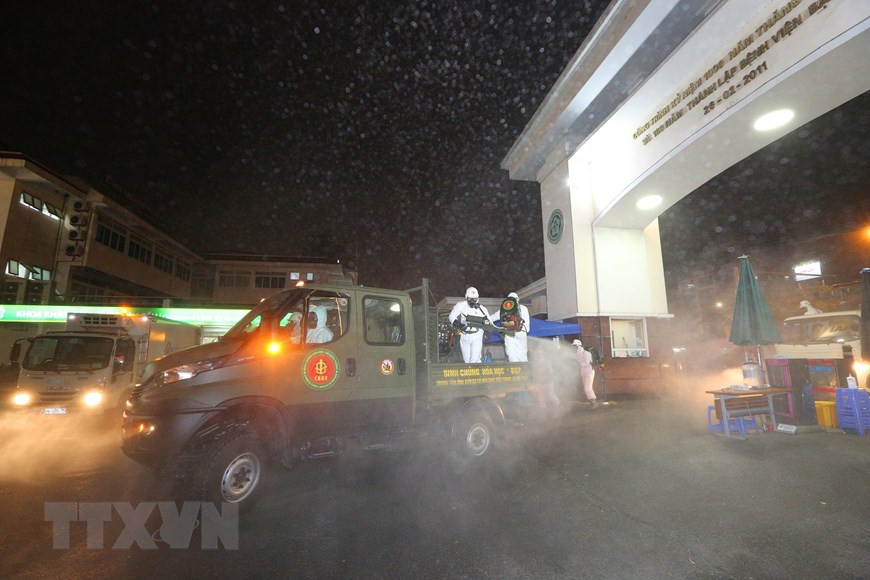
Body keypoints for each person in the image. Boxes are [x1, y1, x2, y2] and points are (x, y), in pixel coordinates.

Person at [448, 287, 490, 363]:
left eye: (474, 299)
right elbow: (452, 316)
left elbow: (488, 321)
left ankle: (477, 373)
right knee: (467, 361)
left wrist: (487, 330)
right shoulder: (462, 305)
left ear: (478, 298)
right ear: (466, 297)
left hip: (477, 335)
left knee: (474, 360)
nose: (472, 301)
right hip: (464, 335)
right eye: (470, 298)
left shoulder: (482, 309)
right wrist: (460, 325)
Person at [490, 291, 529, 362]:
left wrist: (486, 319)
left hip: (509, 333)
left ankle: (515, 370)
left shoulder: (505, 309)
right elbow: (527, 326)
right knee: (522, 355)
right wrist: (524, 332)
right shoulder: (523, 308)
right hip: (521, 332)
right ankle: (525, 370)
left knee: (511, 355)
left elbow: (493, 317)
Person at [573, 339, 598, 409]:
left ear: (579, 346)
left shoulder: (587, 353)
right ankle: (591, 403)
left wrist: (579, 365)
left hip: (589, 372)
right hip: (584, 372)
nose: (574, 348)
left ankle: (594, 403)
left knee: (588, 388)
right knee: (586, 388)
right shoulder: (577, 354)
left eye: (575, 346)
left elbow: (587, 363)